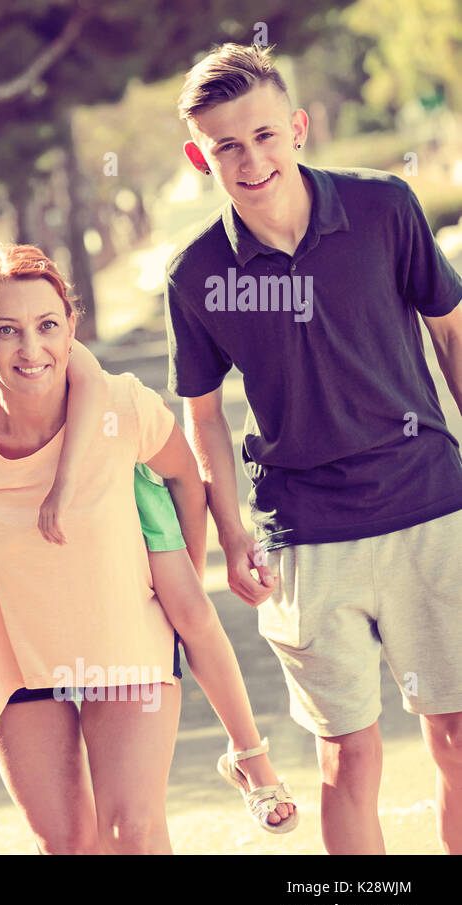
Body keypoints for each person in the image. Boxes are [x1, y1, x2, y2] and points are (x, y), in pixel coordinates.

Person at [0, 202, 297, 833]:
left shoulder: (41, 326)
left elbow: (99, 399)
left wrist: (72, 491)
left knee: (187, 605)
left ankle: (250, 753)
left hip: (114, 482)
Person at [168, 42, 462, 854]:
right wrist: (231, 535)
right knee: (347, 756)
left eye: (264, 135)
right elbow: (202, 420)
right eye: (227, 145)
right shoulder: (196, 274)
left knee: (457, 737)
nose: (251, 158)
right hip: (306, 535)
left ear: (296, 128)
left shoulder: (384, 209)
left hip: (430, 506)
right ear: (202, 156)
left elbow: (451, 332)